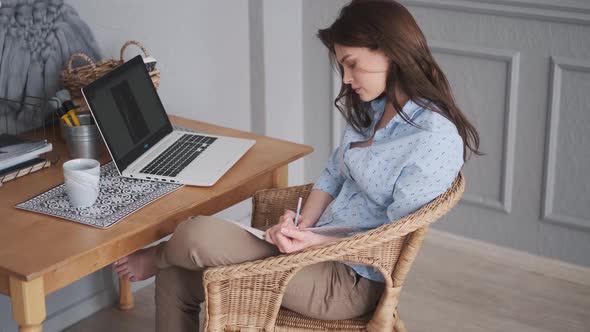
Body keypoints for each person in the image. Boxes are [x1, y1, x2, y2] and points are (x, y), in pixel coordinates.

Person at [113, 1, 481, 331]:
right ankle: (164, 259)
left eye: (352, 64)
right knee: (177, 275)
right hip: (311, 250)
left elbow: (392, 238)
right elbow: (336, 172)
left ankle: (157, 255)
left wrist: (316, 242)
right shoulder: (375, 108)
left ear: (390, 51)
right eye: (342, 67)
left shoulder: (433, 137)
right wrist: (302, 223)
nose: (347, 80)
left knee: (194, 236)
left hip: (349, 280)